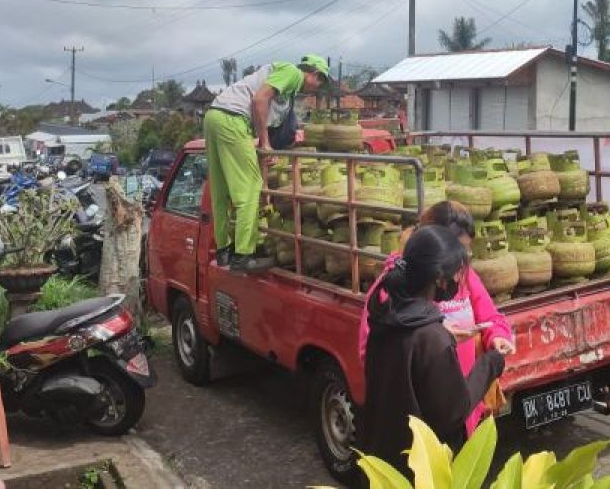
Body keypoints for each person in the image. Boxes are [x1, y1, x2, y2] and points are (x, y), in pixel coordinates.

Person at [357, 200, 515, 433]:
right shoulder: (393, 295)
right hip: (423, 426)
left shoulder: (460, 278)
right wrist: (487, 362)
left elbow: (491, 315)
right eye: (456, 254)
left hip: (461, 410)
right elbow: (371, 356)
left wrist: (497, 336)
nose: (461, 265)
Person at [363, 225, 505, 473]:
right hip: (422, 468)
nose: (458, 281)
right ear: (440, 278)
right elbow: (453, 411)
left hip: (383, 461)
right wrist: (492, 362)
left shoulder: (385, 317)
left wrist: (443, 332)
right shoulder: (432, 338)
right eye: (456, 275)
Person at [204, 55, 329, 271]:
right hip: (234, 119)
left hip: (214, 116)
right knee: (250, 189)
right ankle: (243, 255)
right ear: (314, 74)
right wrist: (266, 142)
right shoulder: (292, 73)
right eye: (320, 82)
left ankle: (224, 250)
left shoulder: (284, 84)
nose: (316, 89)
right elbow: (259, 100)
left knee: (221, 190)